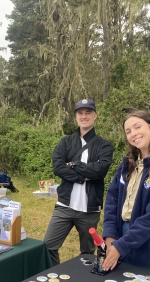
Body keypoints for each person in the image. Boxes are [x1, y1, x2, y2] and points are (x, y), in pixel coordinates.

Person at [102, 110, 150, 272]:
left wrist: (121, 246)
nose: (134, 134)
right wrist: (111, 236)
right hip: (120, 238)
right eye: (128, 131)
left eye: (138, 127)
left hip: (149, 247)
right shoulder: (126, 166)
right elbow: (112, 201)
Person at [43, 99, 114, 266]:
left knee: (88, 254)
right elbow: (58, 167)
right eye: (80, 113)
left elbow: (100, 170)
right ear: (75, 117)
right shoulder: (65, 142)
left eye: (88, 112)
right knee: (47, 246)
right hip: (64, 206)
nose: (84, 116)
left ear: (95, 116)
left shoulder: (104, 145)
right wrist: (83, 177)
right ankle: (56, 275)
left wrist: (74, 165)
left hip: (89, 211)